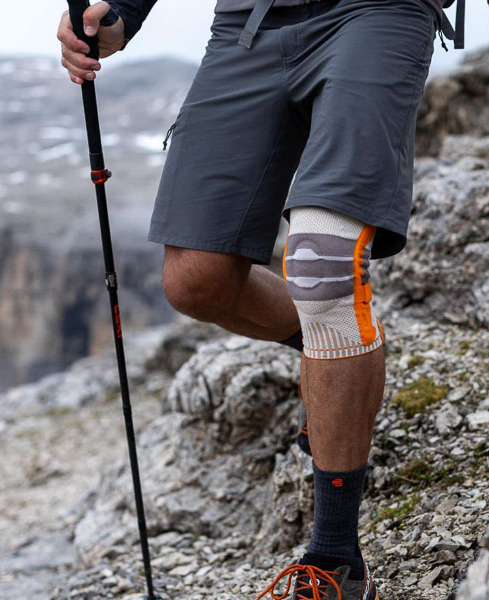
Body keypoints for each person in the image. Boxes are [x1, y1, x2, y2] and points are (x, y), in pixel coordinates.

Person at [58, 1, 445, 597]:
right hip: (250, 20)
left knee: (322, 266)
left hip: (378, 9)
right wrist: (123, 12)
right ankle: (333, 348)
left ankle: (336, 558)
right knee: (196, 281)